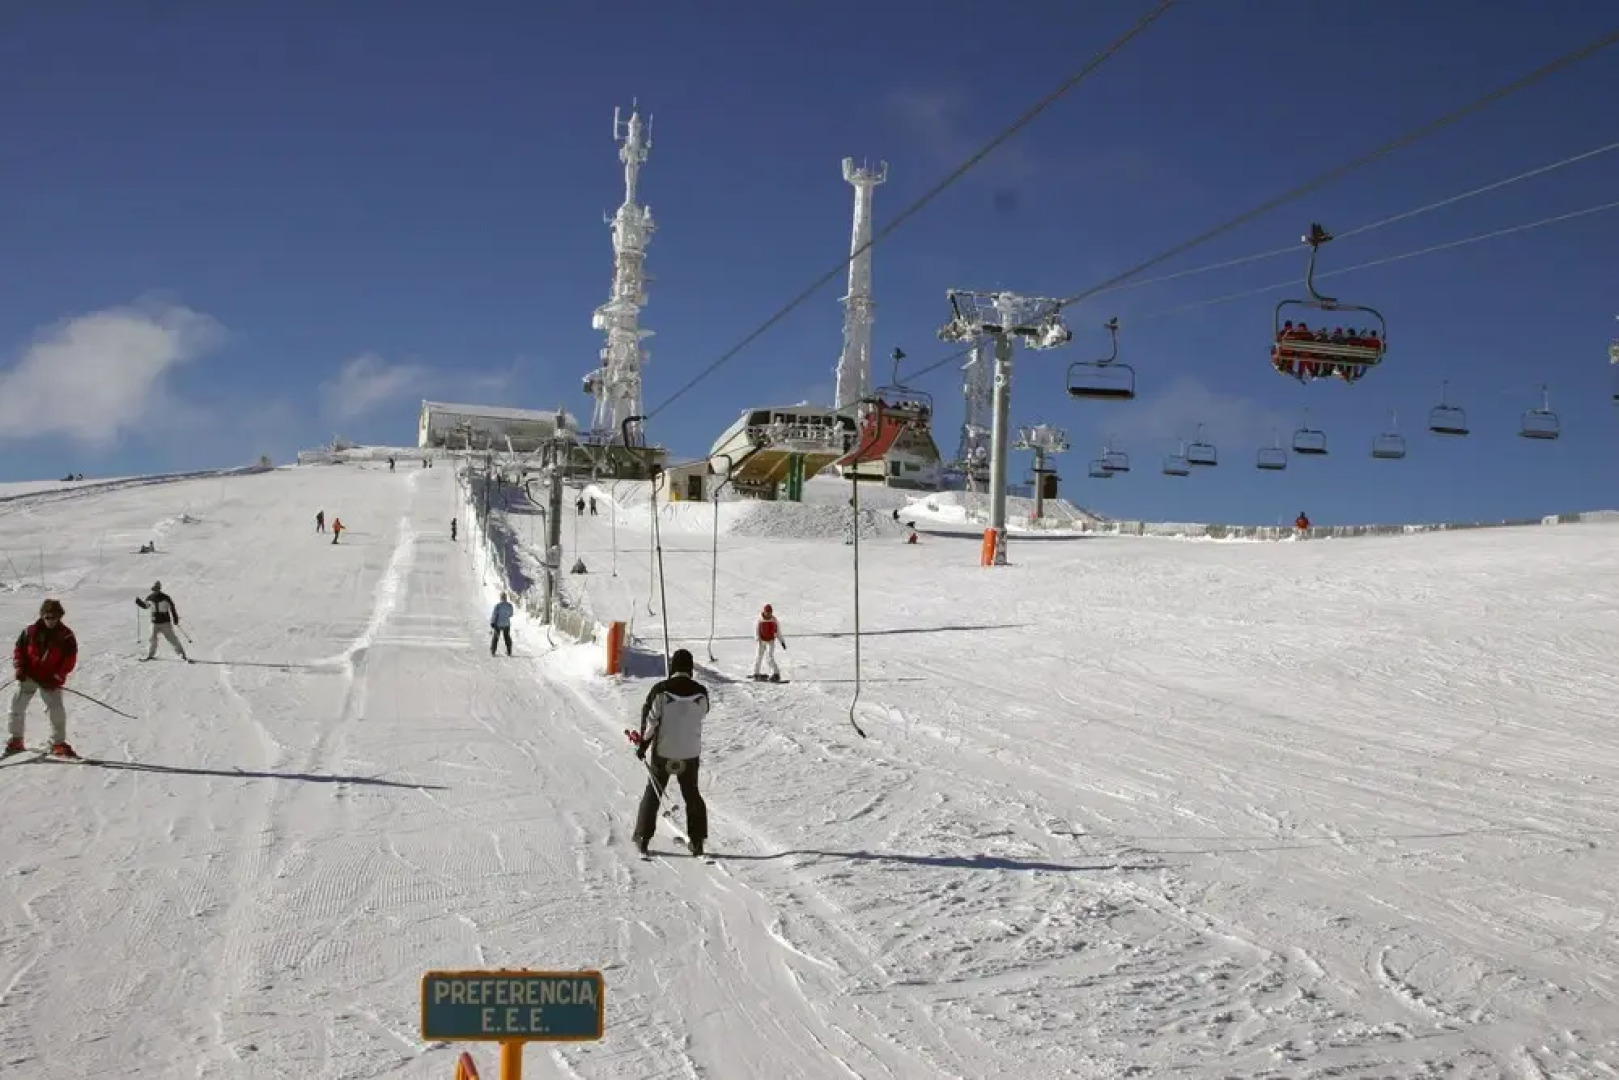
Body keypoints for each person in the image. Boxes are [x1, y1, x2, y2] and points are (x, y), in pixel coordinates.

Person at [631, 648, 710, 857]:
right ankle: (697, 840)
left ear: (673, 666)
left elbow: (650, 722)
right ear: (690, 668)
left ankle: (642, 837)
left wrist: (642, 747)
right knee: (692, 794)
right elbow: (702, 713)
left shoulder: (660, 690)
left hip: (664, 752)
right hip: (690, 753)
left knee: (654, 792)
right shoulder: (702, 692)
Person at [7, 598, 78, 758]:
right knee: (17, 706)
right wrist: (19, 667)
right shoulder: (29, 632)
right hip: (29, 676)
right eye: (47, 617)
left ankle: (58, 743)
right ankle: (16, 740)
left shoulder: (66, 636)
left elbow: (70, 659)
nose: (50, 620)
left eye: (54, 617)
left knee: (56, 711)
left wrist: (57, 677)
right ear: (42, 616)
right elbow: (19, 650)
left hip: (49, 679)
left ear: (60, 616)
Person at [136, 581, 191, 663]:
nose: (155, 590)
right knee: (152, 639)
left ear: (159, 589)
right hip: (154, 622)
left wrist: (175, 618)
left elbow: (172, 608)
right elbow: (146, 606)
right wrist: (139, 603)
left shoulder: (165, 597)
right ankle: (150, 655)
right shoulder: (150, 598)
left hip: (165, 622)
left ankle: (182, 655)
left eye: (156, 589)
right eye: (154, 589)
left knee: (172, 639)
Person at [753, 603, 785, 682]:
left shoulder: (774, 620)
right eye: (767, 612)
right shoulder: (760, 620)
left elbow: (778, 632)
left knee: (769, 657)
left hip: (770, 641)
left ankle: (776, 673)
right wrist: (757, 638)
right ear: (764, 612)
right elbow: (756, 630)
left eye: (770, 612)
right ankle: (756, 673)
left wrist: (782, 641)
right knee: (758, 657)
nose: (769, 614)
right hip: (761, 641)